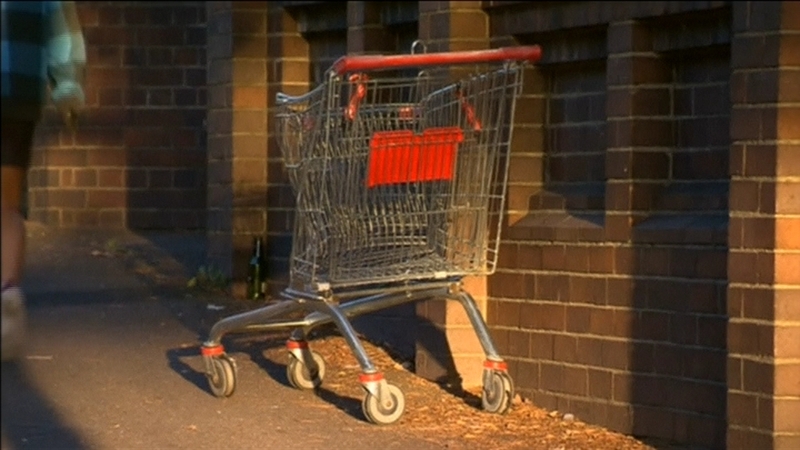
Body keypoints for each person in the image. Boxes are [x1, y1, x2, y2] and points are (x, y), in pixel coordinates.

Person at [1, 1, 86, 361]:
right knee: (7, 203)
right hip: (17, 90)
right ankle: (7, 296)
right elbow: (62, 27)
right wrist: (68, 83)